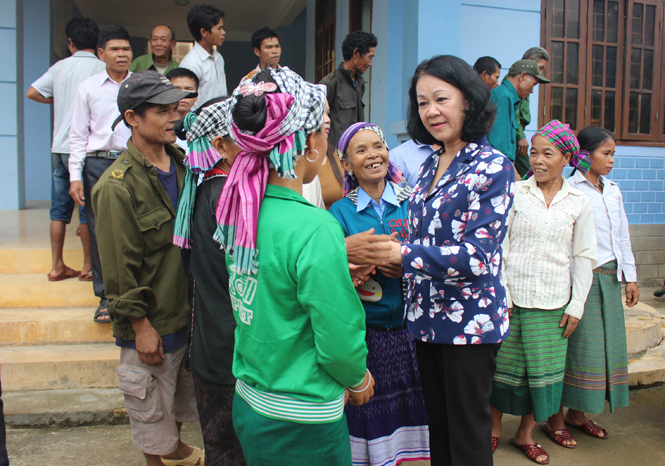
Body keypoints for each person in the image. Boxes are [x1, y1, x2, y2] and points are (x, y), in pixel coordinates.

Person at [217, 68, 373, 465]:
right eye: (322, 128)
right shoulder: (315, 227)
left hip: (251, 400)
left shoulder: (238, 211)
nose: (324, 137)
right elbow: (337, 336)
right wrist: (358, 378)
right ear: (309, 146)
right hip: (303, 417)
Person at [385, 55, 515, 466]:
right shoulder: (428, 164)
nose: (431, 111)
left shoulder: (494, 166)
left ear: (469, 100)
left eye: (441, 98)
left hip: (468, 326)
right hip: (425, 319)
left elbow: (477, 257)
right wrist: (386, 250)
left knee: (468, 437)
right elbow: (422, 236)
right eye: (422, 102)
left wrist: (403, 254)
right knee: (438, 431)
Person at [92, 71, 202, 466]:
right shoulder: (116, 186)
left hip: (185, 315)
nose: (173, 117)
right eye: (161, 111)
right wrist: (140, 327)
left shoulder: (185, 165)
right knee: (152, 424)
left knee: (172, 411)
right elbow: (118, 271)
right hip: (151, 324)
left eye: (175, 108)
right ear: (133, 118)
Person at [490, 120, 597, 465]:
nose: (537, 159)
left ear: (566, 157)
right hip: (511, 299)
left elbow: (583, 256)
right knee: (502, 370)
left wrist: (577, 304)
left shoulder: (578, 201)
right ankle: (492, 430)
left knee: (542, 374)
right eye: (533, 152)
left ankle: (525, 434)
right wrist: (500, 295)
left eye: (546, 153)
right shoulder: (516, 193)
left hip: (553, 302)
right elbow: (500, 246)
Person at [329, 122, 430, 466]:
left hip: (411, 333)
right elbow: (332, 273)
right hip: (366, 334)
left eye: (378, 146)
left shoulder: (414, 202)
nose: (373, 155)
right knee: (368, 413)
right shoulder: (339, 213)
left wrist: (407, 262)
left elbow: (433, 254)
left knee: (412, 413)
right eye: (361, 150)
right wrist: (358, 266)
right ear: (346, 164)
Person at [545, 126, 639, 443]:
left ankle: (578, 413)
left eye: (613, 154)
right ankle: (554, 418)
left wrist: (630, 277)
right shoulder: (571, 191)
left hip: (610, 279)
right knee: (574, 350)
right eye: (606, 153)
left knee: (601, 352)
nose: (612, 160)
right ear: (584, 156)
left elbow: (621, 236)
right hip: (582, 282)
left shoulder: (612, 189)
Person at [171, 98, 247, 465]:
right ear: (219, 145)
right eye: (244, 133)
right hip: (230, 352)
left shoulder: (209, 188)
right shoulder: (227, 196)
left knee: (222, 448)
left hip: (212, 347)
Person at [27, 18, 104, 283]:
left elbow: (32, 92)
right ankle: (86, 266)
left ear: (70, 42)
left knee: (58, 210)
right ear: (97, 44)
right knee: (86, 209)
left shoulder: (59, 67)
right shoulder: (101, 67)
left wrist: (56, 99)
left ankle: (57, 265)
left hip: (59, 147)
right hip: (84, 148)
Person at [69, 24, 133, 323]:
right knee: (99, 230)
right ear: (100, 53)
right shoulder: (89, 88)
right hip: (98, 165)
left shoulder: (142, 84)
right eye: (115, 49)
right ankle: (106, 297)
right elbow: (78, 136)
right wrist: (75, 176)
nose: (122, 54)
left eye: (126, 49)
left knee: (136, 228)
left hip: (134, 162)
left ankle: (135, 293)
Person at [319, 30, 378, 208]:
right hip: (335, 159)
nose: (370, 63)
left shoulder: (359, 83)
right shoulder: (330, 83)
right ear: (355, 54)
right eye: (369, 56)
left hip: (356, 156)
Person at [487, 59, 549, 181]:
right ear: (523, 76)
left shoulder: (508, 96)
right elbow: (499, 145)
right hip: (497, 170)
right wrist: (514, 175)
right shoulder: (504, 96)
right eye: (533, 85)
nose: (532, 91)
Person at [180, 4, 227, 109]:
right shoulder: (191, 63)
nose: (223, 32)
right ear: (204, 32)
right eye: (219, 28)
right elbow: (187, 103)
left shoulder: (218, 57)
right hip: (201, 123)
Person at [514, 47, 550, 178]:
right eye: (540, 67)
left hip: (518, 133)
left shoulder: (528, 81)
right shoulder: (516, 80)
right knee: (529, 175)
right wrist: (520, 136)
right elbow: (514, 112)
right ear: (530, 61)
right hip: (515, 134)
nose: (540, 72)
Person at [165, 68, 200, 151]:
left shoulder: (202, 124)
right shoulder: (158, 123)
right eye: (177, 90)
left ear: (196, 96)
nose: (183, 96)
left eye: (188, 90)